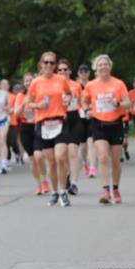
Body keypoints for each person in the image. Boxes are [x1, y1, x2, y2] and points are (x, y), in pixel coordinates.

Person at [82, 54, 132, 204]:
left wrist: (117, 103)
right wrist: (86, 111)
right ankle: (105, 190)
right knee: (102, 157)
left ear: (110, 67)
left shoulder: (118, 84)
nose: (103, 67)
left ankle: (115, 189)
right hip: (98, 124)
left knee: (115, 161)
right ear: (96, 68)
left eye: (105, 64)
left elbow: (128, 103)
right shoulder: (91, 85)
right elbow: (83, 101)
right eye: (100, 65)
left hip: (116, 124)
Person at [25, 51, 73, 207]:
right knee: (50, 162)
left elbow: (68, 94)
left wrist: (67, 100)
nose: (49, 65)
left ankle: (64, 191)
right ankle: (54, 192)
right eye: (46, 62)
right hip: (43, 124)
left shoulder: (61, 80)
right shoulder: (36, 82)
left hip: (59, 121)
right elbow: (29, 102)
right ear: (41, 64)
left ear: (55, 65)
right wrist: (38, 105)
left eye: (52, 63)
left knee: (60, 157)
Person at [15, 72, 48, 195]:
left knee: (39, 156)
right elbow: (17, 114)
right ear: (24, 83)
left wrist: (37, 106)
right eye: (26, 81)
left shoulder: (39, 94)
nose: (29, 83)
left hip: (38, 126)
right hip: (25, 128)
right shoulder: (20, 96)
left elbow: (46, 108)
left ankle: (45, 180)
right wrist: (24, 103)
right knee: (32, 159)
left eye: (31, 80)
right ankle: (39, 184)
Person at [56, 59, 83, 195]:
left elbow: (82, 102)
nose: (62, 72)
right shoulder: (54, 85)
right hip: (60, 120)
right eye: (60, 70)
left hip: (74, 118)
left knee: (73, 151)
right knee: (62, 154)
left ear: (70, 71)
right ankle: (65, 175)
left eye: (65, 69)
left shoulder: (76, 85)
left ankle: (74, 183)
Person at [77, 63, 97, 178]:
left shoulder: (93, 85)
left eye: (85, 71)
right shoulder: (75, 86)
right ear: (78, 73)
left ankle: (93, 167)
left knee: (92, 142)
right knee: (83, 145)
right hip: (80, 117)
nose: (83, 74)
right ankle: (85, 162)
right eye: (81, 71)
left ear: (89, 73)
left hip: (91, 115)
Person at [6, 81, 24, 166]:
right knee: (6, 142)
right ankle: (8, 158)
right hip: (2, 122)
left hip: (14, 121)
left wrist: (12, 110)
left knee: (14, 141)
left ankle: (19, 154)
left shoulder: (13, 96)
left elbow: (16, 106)